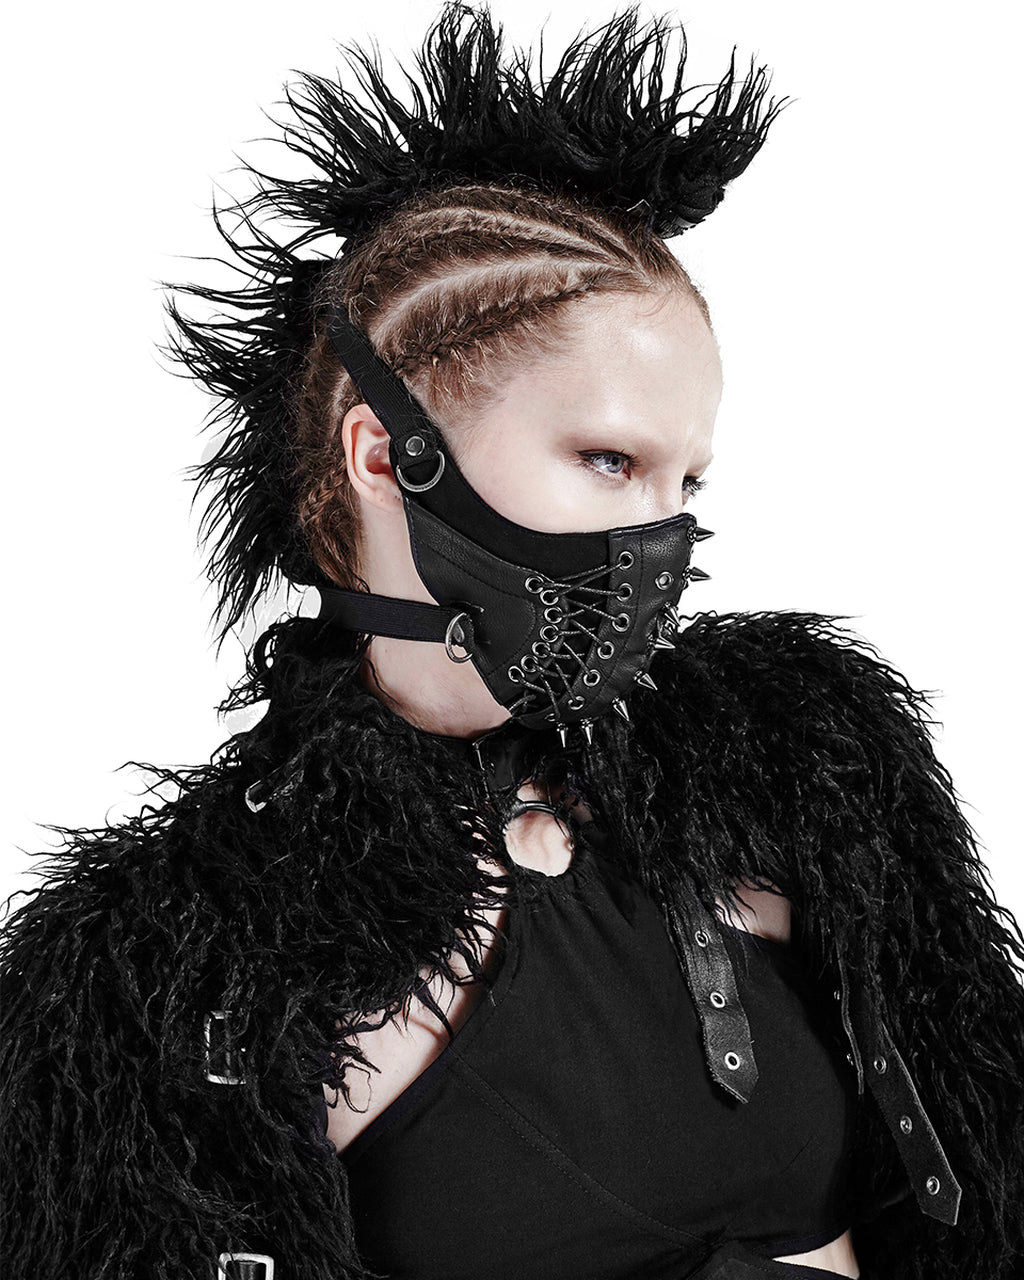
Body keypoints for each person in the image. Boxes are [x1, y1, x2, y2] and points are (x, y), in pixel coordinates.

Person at [2, 4, 1022, 1279]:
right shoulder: (173, 974)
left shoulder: (803, 783)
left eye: (685, 482)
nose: (660, 536)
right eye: (608, 459)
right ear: (387, 453)